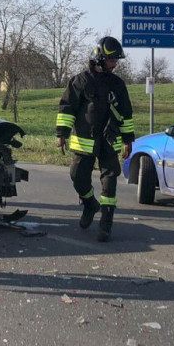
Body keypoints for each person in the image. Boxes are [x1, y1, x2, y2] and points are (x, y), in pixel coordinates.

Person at [55, 36, 135, 241]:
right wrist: (62, 133)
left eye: (116, 60)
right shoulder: (80, 81)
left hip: (110, 139)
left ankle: (106, 223)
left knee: (110, 180)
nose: (115, 64)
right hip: (84, 139)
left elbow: (126, 113)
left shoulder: (118, 84)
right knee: (77, 176)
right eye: (112, 60)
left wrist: (128, 140)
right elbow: (67, 108)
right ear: (99, 58)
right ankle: (90, 204)